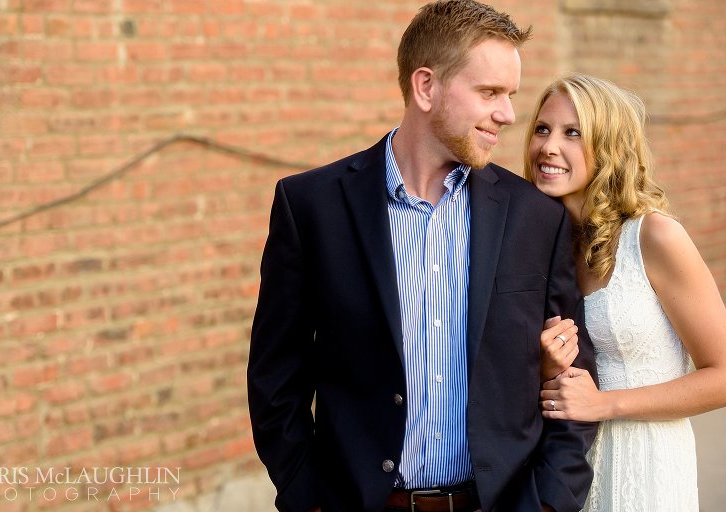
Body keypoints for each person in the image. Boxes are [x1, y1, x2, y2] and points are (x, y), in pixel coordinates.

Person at [247, 2, 598, 511]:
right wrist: (308, 497)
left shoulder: (536, 219)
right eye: (489, 93)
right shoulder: (312, 207)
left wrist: (547, 503)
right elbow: (275, 379)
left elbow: (573, 382)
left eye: (511, 95)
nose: (508, 114)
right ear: (426, 87)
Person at [525, 73, 726, 511]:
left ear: (610, 148)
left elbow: (723, 374)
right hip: (564, 475)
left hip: (646, 469)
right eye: (542, 128)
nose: (548, 147)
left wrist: (604, 404)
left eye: (572, 133)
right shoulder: (541, 245)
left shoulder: (654, 236)